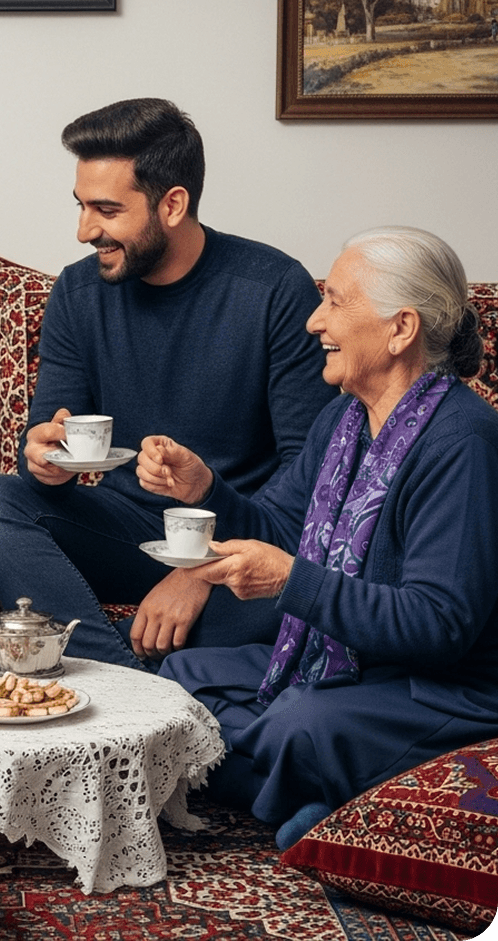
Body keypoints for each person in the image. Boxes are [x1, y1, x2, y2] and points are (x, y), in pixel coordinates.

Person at [137, 226, 498, 849]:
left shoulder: (463, 440)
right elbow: (279, 527)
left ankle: (322, 808)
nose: (314, 322)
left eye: (335, 301)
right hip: (341, 659)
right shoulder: (344, 418)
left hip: (437, 684)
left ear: (400, 328)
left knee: (299, 726)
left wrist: (289, 581)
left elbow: (439, 624)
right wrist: (206, 492)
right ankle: (324, 803)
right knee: (179, 683)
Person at [0, 98, 337, 669]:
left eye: (106, 209)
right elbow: (50, 436)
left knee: (317, 598)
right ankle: (124, 677)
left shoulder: (274, 288)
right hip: (124, 531)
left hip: (238, 534)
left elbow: (311, 478)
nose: (85, 230)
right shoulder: (79, 293)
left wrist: (200, 572)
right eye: (82, 206)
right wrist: (40, 457)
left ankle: (107, 676)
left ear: (173, 204)